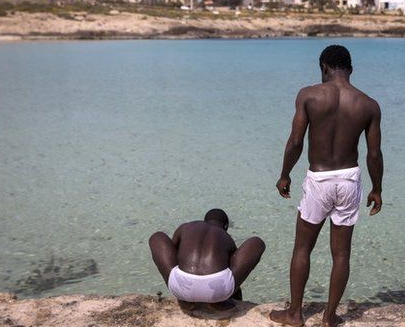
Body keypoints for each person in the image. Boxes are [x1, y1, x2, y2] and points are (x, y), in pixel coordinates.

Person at [269, 45, 384, 327]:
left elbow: (296, 141)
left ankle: (295, 314)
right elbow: (374, 154)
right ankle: (329, 317)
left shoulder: (309, 95)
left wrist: (285, 174)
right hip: (349, 180)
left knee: (302, 249)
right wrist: (377, 188)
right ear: (350, 69)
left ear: (323, 67)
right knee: (341, 253)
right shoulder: (368, 104)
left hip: (319, 180)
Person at [149, 208, 265, 310]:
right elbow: (234, 269)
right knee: (257, 243)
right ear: (226, 226)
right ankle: (217, 303)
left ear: (204, 221)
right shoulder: (226, 237)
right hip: (218, 292)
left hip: (181, 287)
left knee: (156, 237)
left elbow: (173, 254)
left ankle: (187, 302)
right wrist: (233, 295)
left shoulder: (185, 227)